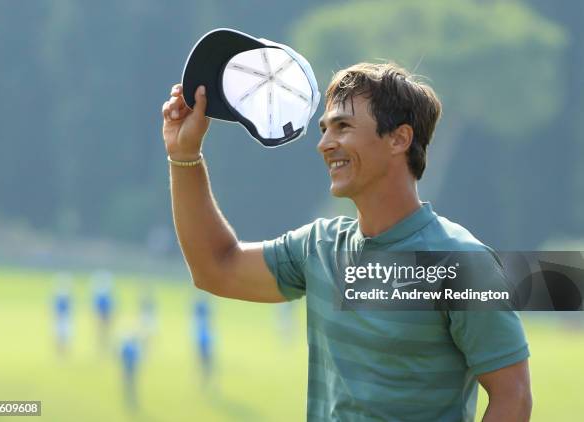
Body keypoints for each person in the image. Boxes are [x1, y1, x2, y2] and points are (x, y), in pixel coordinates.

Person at [161, 62, 532, 421]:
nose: (324, 143)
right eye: (324, 128)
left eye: (342, 126)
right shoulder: (319, 247)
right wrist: (184, 156)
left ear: (399, 139)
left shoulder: (463, 263)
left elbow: (512, 397)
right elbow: (216, 268)